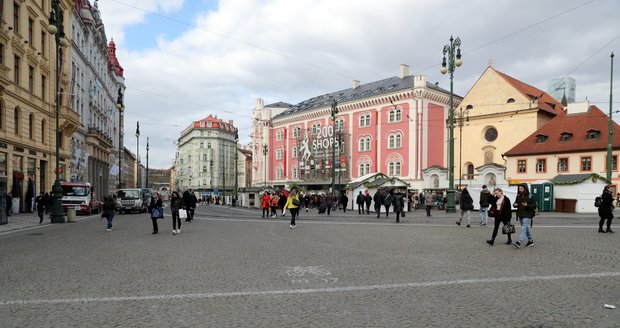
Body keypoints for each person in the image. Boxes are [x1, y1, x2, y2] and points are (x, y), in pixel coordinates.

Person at [513, 183, 536, 248]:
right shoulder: (518, 196)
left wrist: (527, 205)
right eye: (519, 188)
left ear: (525, 189)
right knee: (525, 228)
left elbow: (534, 205)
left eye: (521, 188)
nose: (520, 190)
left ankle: (519, 242)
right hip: (520, 214)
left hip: (528, 214)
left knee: (523, 228)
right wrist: (514, 205)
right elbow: (515, 203)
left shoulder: (530, 196)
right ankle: (530, 241)